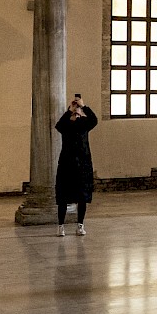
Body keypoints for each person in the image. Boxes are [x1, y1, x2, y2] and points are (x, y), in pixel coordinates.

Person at [55, 95, 98, 236]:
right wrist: (69, 111)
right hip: (67, 164)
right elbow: (58, 125)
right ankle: (60, 226)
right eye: (75, 108)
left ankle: (80, 225)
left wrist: (84, 106)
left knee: (82, 196)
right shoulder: (66, 125)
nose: (76, 111)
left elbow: (94, 120)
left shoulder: (85, 123)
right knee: (63, 196)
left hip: (83, 164)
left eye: (78, 109)